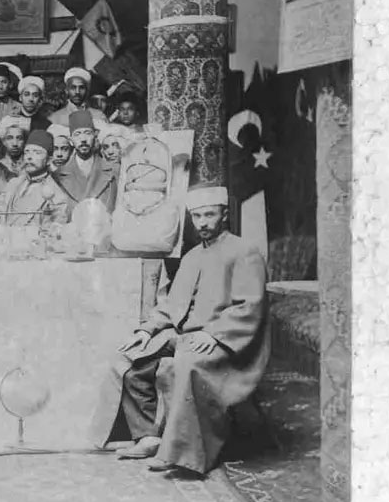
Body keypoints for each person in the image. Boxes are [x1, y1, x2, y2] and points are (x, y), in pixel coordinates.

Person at [87, 186, 270, 478]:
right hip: (184, 336)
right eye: (197, 216)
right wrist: (147, 330)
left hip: (224, 339)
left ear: (224, 215)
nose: (203, 223)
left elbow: (250, 306)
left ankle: (181, 454)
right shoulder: (192, 256)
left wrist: (213, 334)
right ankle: (147, 436)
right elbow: (173, 305)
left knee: (188, 365)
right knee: (129, 360)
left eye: (209, 215)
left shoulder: (244, 251)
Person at [53, 110, 119, 215]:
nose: (83, 139)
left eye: (88, 133)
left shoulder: (114, 171)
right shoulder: (57, 176)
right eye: (77, 134)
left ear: (95, 136)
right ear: (71, 140)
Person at [1, 130, 70, 226]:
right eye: (27, 152)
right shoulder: (13, 184)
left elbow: (53, 231)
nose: (29, 157)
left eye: (37, 153)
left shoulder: (57, 197)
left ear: (49, 160)